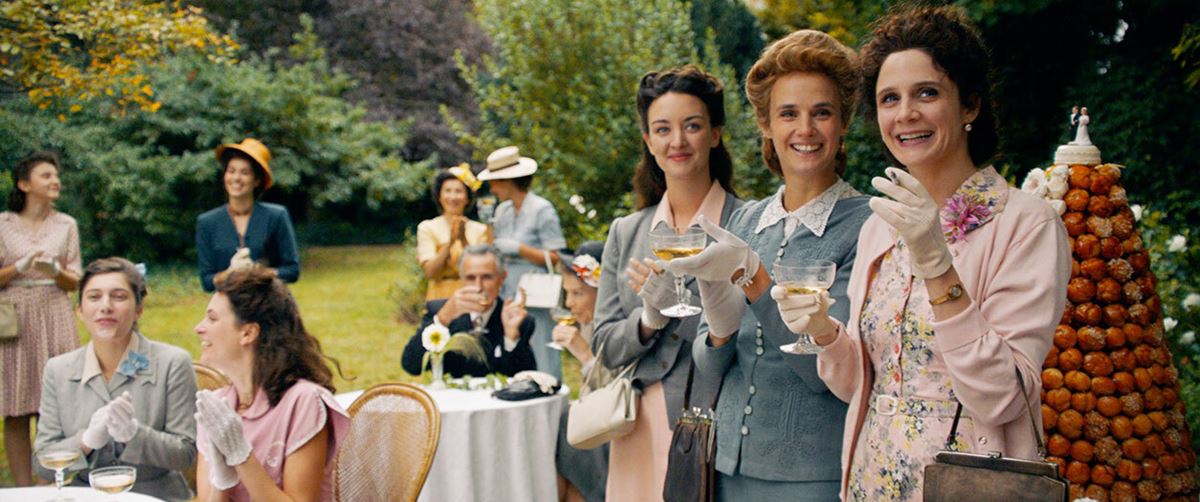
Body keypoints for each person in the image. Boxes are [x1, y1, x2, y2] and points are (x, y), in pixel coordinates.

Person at [791, 6, 1069, 500]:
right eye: (889, 99)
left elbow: (1004, 396)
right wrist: (824, 332)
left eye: (927, 93)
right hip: (872, 481)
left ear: (970, 106)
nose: (905, 114)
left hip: (970, 484)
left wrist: (938, 265)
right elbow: (861, 385)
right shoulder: (880, 225)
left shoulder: (1026, 224)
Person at [668, 30, 872, 500]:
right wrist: (719, 329)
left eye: (822, 112)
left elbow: (823, 374)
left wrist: (755, 281)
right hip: (724, 467)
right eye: (788, 113)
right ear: (766, 124)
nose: (806, 129)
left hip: (811, 476)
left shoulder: (867, 226)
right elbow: (709, 367)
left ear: (843, 122)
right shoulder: (744, 220)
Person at [592, 65, 742, 501]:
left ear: (715, 134)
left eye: (692, 126)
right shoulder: (627, 232)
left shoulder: (746, 224)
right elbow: (603, 345)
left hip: (716, 425)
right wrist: (648, 320)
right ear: (648, 141)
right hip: (637, 425)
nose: (677, 141)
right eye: (662, 129)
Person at [34, 257, 197, 499]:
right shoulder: (58, 370)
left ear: (138, 310)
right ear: (80, 311)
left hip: (155, 496)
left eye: (119, 297)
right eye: (94, 297)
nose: (106, 306)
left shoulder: (172, 363)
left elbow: (186, 455)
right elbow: (42, 465)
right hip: (85, 496)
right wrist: (85, 442)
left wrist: (135, 435)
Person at [193, 267, 349, 502]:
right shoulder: (217, 407)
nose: (199, 328)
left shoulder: (303, 402)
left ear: (248, 333)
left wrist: (242, 457)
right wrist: (222, 482)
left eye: (212, 318)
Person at [0, 151, 81, 486]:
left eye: (56, 175)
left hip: (54, 312)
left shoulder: (66, 225)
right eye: (46, 175)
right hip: (13, 318)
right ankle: (23, 489)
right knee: (15, 407)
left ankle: (51, 484)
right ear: (24, 184)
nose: (55, 181)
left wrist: (55, 270)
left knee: (54, 406)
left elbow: (75, 281)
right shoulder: (3, 224)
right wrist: (18, 268)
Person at [478, 146, 567, 379]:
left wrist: (520, 249)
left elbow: (556, 256)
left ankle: (549, 391)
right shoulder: (503, 210)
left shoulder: (541, 209)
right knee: (513, 343)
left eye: (494, 182)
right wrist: (488, 225)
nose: (492, 189)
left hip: (536, 291)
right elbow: (493, 247)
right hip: (510, 290)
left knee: (541, 346)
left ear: (508, 181)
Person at [402, 244, 537, 377]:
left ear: (502, 278)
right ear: (461, 279)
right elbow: (411, 365)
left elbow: (526, 378)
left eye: (487, 277)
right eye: (470, 278)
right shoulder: (439, 310)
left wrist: (510, 338)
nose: (478, 286)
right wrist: (442, 320)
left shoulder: (516, 319)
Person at [196, 138, 300, 293]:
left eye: (244, 173)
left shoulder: (277, 216)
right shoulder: (207, 222)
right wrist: (231, 272)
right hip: (226, 304)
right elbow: (207, 282)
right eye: (231, 171)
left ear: (257, 180)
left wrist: (257, 273)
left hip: (268, 301)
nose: (236, 178)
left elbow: (292, 271)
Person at [553, 241, 610, 502]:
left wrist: (585, 355)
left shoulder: (617, 328)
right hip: (596, 419)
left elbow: (619, 392)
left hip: (617, 428)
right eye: (567, 293)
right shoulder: (589, 323)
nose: (569, 303)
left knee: (562, 429)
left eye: (577, 294)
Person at [417, 164, 492, 300]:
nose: (453, 197)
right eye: (448, 191)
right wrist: (450, 243)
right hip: (438, 299)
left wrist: (463, 239)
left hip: (473, 296)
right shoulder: (427, 228)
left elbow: (482, 269)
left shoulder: (480, 230)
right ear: (439, 196)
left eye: (458, 191)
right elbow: (430, 272)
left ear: (467, 198)